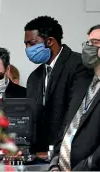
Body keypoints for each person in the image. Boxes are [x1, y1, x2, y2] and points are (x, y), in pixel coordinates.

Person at [24, 16, 88, 156]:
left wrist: (55, 152)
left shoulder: (79, 66)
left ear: (50, 41)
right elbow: (33, 121)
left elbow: (76, 115)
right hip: (38, 158)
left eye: (32, 43)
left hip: (69, 155)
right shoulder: (34, 78)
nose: (27, 49)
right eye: (26, 44)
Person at [49, 24, 100, 171]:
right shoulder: (82, 83)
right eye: (88, 42)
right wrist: (54, 164)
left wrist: (82, 169)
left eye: (96, 42)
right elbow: (68, 126)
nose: (89, 47)